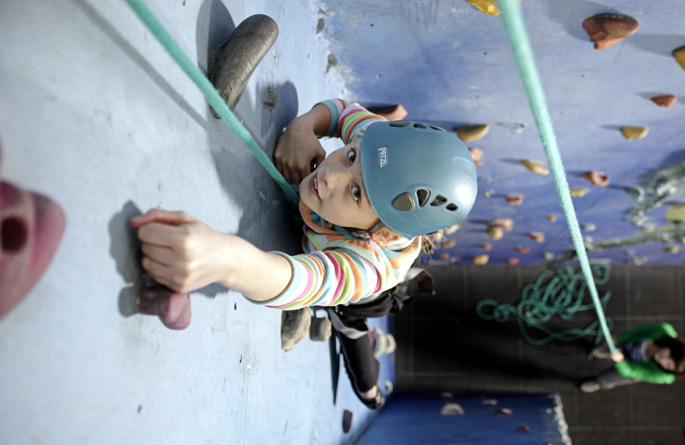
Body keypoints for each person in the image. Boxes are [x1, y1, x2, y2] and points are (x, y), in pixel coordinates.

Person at [130, 98, 478, 407]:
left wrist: (229, 260)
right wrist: (305, 125)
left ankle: (371, 390)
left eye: (356, 193)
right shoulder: (378, 148)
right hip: (364, 241)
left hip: (364, 294)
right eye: (350, 156)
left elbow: (302, 282)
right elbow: (343, 112)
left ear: (382, 231)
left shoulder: (364, 268)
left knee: (349, 327)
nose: (330, 176)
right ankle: (388, 327)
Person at [579, 323, 685, 392]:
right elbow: (637, 332)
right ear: (672, 346)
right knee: (615, 346)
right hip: (633, 344)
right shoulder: (662, 330)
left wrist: (620, 362)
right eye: (669, 356)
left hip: (635, 367)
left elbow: (632, 371)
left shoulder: (663, 376)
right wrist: (618, 338)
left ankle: (599, 382)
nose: (662, 360)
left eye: (668, 365)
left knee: (609, 377)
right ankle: (608, 351)